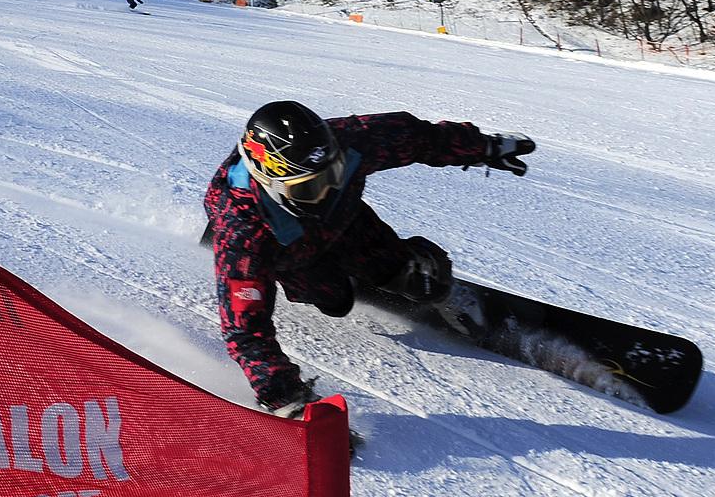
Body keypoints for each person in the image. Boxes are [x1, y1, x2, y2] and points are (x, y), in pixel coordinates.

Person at [203, 100, 535, 418]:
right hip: (291, 253)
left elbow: (416, 136)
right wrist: (288, 399)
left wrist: (482, 147)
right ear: (272, 183)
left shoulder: (350, 141)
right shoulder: (243, 232)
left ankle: (414, 280)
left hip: (344, 220)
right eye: (308, 189)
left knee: (419, 278)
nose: (325, 192)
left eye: (333, 175)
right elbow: (246, 332)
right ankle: (340, 279)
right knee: (336, 300)